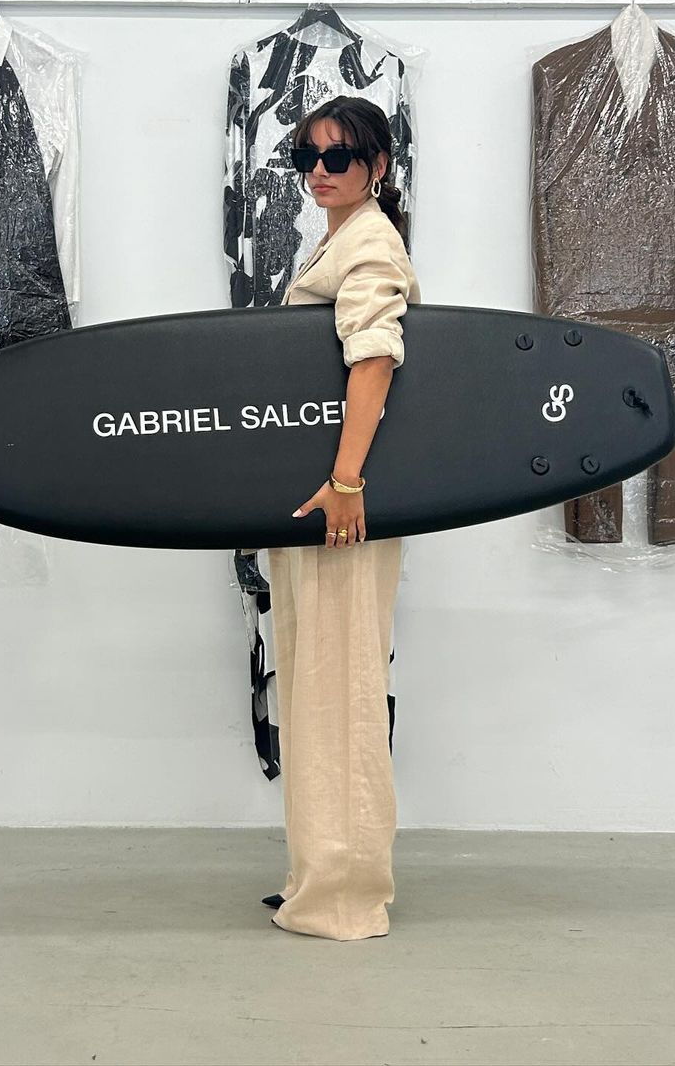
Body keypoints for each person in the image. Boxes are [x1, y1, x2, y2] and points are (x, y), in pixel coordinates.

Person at [262, 95, 421, 941]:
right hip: (322, 500)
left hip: (342, 505)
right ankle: (317, 876)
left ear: (378, 166)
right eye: (307, 158)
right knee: (315, 685)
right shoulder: (338, 237)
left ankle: (346, 896)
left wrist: (347, 481)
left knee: (342, 691)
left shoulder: (369, 244)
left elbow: (374, 356)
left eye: (339, 157)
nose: (319, 172)